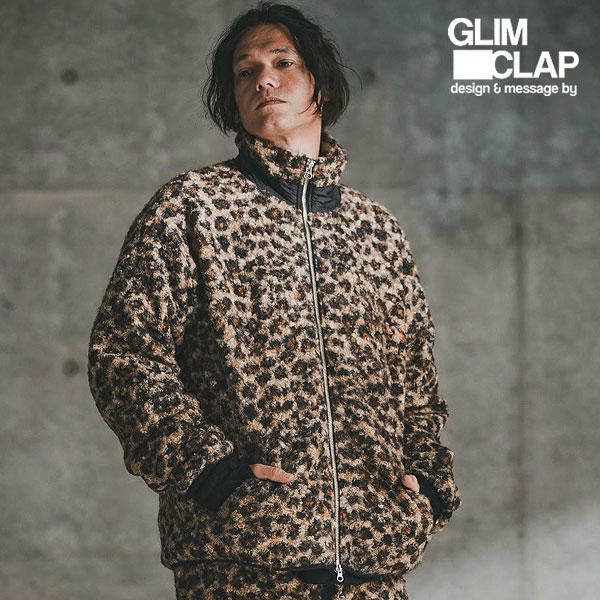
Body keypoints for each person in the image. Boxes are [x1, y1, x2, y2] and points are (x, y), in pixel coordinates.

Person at [87, 2, 461, 598]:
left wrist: (428, 485)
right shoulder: (193, 207)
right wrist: (210, 473)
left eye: (282, 62)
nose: (263, 79)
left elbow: (415, 380)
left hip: (375, 571)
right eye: (245, 70)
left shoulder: (376, 228)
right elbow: (124, 355)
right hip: (241, 567)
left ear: (320, 83)